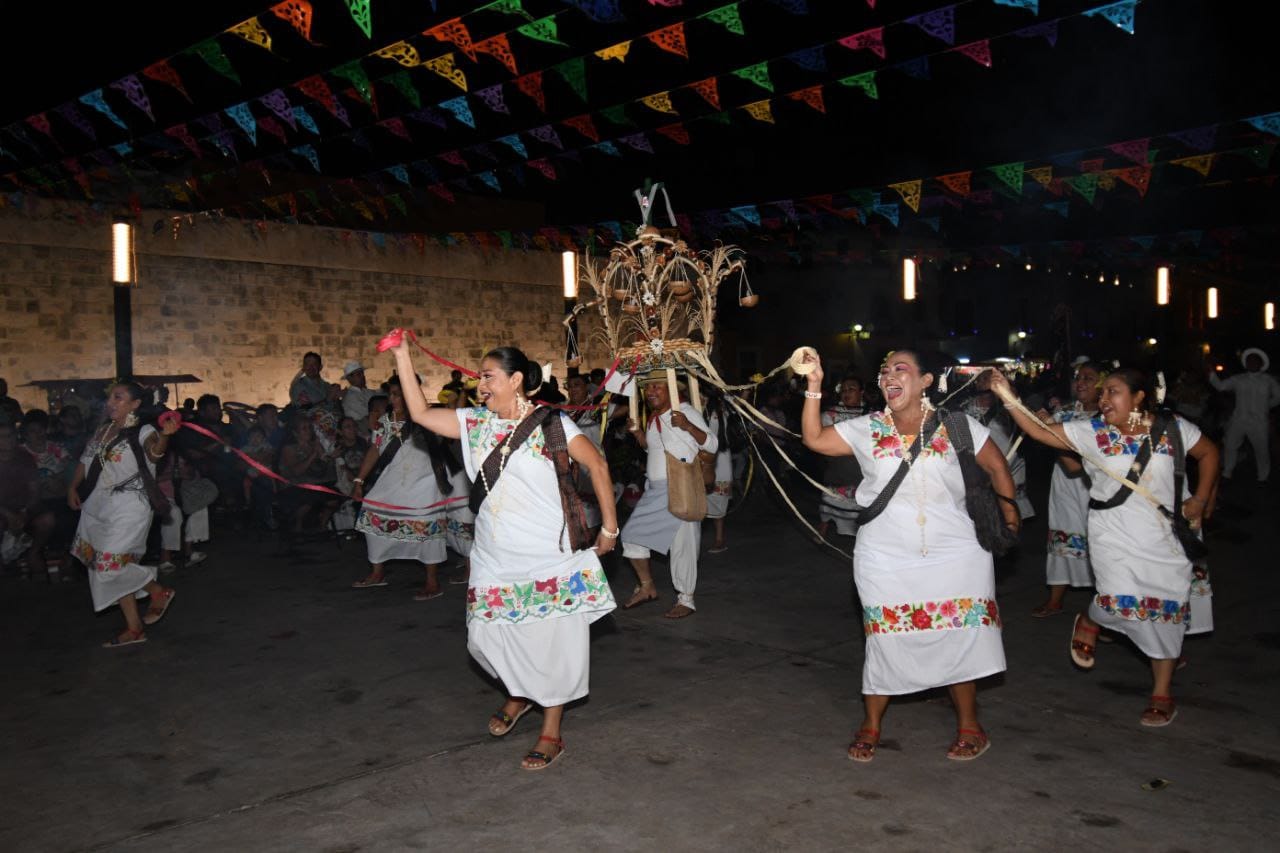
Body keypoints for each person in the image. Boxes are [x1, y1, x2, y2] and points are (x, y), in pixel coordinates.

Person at [390, 341, 618, 771]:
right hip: (495, 555)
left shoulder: (553, 424)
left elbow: (598, 467)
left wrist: (609, 526)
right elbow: (420, 414)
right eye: (479, 377)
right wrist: (402, 355)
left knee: (554, 645)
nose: (480, 386)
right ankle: (520, 691)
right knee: (485, 637)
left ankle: (551, 729)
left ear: (515, 381)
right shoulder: (475, 424)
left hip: (549, 554)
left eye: (488, 376)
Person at [801, 349, 1014, 762]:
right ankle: (871, 723)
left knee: (960, 636)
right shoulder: (866, 428)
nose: (889, 376)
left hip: (957, 553)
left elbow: (998, 467)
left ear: (925, 381)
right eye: (884, 372)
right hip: (884, 554)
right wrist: (813, 385)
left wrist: (1010, 520)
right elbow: (814, 440)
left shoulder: (955, 425)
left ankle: (971, 725)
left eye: (901, 369)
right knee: (885, 638)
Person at [990, 366, 1220, 727]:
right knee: (1117, 600)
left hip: (1166, 537)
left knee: (1168, 612)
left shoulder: (1173, 426)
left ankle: (1162, 692)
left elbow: (1209, 455)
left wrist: (1201, 499)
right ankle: (1093, 619)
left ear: (1139, 396)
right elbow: (1038, 430)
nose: (1103, 399)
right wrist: (1006, 394)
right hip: (1113, 533)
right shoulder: (1092, 432)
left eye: (1112, 391)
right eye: (1102, 393)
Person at [66, 382, 179, 647]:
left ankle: (156, 590)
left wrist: (166, 435)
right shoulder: (103, 430)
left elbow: (155, 452)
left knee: (109, 564)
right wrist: (72, 486)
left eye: (118, 397)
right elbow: (86, 461)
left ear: (135, 403)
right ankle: (134, 628)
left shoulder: (144, 430)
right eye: (110, 397)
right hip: (98, 505)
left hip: (130, 506)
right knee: (104, 564)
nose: (110, 402)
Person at [620, 370, 718, 619]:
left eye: (657, 386)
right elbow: (653, 449)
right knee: (632, 536)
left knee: (683, 545)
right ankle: (647, 587)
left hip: (681, 486)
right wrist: (638, 434)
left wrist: (687, 425)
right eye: (648, 387)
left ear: (673, 389)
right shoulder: (656, 417)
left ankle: (686, 600)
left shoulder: (685, 412)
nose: (650, 391)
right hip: (656, 490)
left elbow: (712, 444)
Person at [350, 376, 452, 600]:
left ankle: (432, 582)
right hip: (393, 481)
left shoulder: (427, 418)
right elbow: (375, 451)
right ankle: (377, 572)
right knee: (371, 512)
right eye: (391, 394)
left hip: (424, 482)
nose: (392, 399)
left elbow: (445, 442)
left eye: (397, 394)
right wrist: (359, 480)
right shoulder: (385, 421)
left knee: (425, 526)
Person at [1032, 362, 1104, 617]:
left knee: (1100, 542)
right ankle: (1055, 599)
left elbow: (1078, 463)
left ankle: (1106, 604)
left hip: (1095, 489)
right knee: (1062, 537)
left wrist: (1050, 427)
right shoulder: (1065, 412)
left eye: (1089, 377)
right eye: (1078, 377)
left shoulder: (1108, 417)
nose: (1081, 382)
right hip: (1064, 488)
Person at [1209, 348, 1280, 484]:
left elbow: (1278, 397)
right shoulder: (1238, 379)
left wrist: (1266, 406)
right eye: (1249, 361)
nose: (1252, 363)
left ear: (1261, 363)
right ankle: (1227, 473)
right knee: (1230, 444)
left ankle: (1263, 477)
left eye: (1255, 361)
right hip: (1239, 419)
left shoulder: (1268, 380)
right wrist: (1211, 373)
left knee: (1261, 449)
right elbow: (1221, 386)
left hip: (1259, 421)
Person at [816, 377, 868, 541]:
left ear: (861, 393)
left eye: (851, 389)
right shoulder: (830, 415)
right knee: (829, 504)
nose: (846, 393)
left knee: (863, 507)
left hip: (863, 471)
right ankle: (821, 533)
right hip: (838, 469)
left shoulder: (872, 415)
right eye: (843, 390)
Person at [277, 415, 340, 538]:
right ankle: (297, 524)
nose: (308, 431)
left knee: (335, 497)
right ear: (295, 432)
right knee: (309, 498)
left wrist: (330, 457)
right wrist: (312, 455)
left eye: (309, 428)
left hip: (317, 482)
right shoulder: (288, 448)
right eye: (304, 428)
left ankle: (322, 525)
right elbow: (296, 471)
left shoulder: (315, 444)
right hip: (295, 485)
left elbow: (324, 465)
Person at [703, 391, 734, 554]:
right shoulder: (712, 411)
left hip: (719, 464)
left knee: (717, 504)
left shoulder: (718, 412)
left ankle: (720, 540)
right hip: (711, 463)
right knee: (704, 503)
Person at [341, 361, 377, 437]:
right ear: (349, 378)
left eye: (362, 374)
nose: (362, 376)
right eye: (358, 374)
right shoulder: (350, 396)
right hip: (361, 432)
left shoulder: (369, 392)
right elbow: (366, 413)